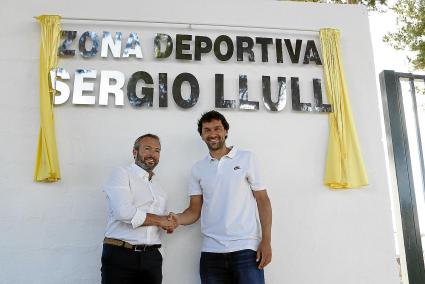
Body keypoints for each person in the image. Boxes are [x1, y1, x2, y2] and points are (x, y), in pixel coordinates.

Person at [171, 111, 272, 284]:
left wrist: (266, 241)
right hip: (211, 253)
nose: (212, 133)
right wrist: (176, 219)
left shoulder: (247, 158)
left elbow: (263, 201)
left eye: (217, 128)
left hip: (246, 250)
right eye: (207, 130)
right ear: (202, 136)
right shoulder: (198, 169)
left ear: (226, 131)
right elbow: (194, 210)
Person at [101, 134, 176, 284]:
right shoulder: (121, 173)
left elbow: (156, 223)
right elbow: (123, 212)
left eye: (157, 150)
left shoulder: (159, 188)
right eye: (147, 149)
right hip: (121, 255)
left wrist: (169, 223)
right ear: (135, 152)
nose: (152, 154)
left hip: (152, 258)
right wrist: (160, 220)